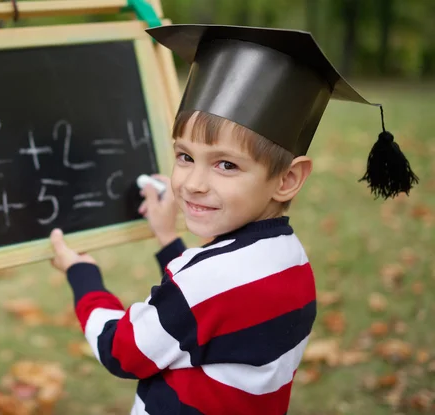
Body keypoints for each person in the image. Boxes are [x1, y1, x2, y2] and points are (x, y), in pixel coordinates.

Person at [48, 24, 418, 415]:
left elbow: (121, 351)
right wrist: (167, 241)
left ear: (287, 179)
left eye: (226, 165)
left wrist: (82, 273)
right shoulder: (291, 262)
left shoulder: (204, 284)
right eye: (185, 156)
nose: (192, 184)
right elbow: (212, 315)